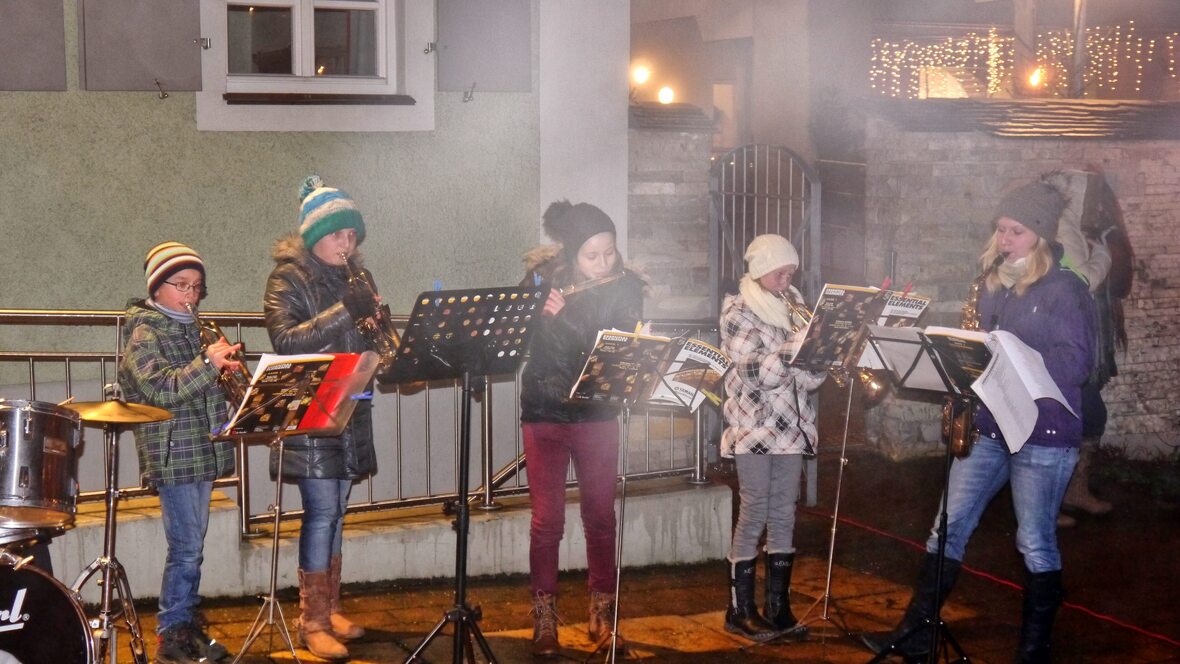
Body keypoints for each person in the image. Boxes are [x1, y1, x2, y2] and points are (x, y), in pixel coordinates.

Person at [862, 180, 1096, 663]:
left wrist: (1017, 358)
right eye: (1001, 230)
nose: (1005, 240)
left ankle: (1033, 652)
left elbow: (1077, 366)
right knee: (947, 527)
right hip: (991, 425)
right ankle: (915, 636)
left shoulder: (1065, 290)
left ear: (1041, 236)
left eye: (1016, 231)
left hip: (1045, 433)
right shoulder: (993, 283)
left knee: (1033, 540)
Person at [519, 200, 645, 658]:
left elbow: (606, 343)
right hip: (545, 411)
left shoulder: (627, 286)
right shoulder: (541, 281)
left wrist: (563, 315)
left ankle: (603, 615)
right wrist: (532, 308)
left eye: (609, 252)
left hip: (597, 413)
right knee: (546, 521)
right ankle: (545, 617)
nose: (603, 264)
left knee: (599, 517)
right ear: (572, 253)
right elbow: (520, 338)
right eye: (592, 256)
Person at [263, 175, 379, 661]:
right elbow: (286, 341)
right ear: (314, 238)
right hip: (312, 407)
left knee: (338, 513)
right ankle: (310, 621)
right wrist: (344, 313)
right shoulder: (287, 279)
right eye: (337, 235)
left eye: (352, 234)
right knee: (322, 512)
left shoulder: (359, 278)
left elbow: (369, 334)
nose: (346, 243)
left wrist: (384, 344)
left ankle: (330, 608)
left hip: (352, 407)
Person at [119, 241, 238, 664]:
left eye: (197, 287)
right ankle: (172, 634)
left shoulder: (197, 329)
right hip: (173, 451)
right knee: (186, 546)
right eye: (181, 286)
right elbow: (159, 389)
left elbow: (208, 387)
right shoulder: (144, 331)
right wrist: (208, 365)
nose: (190, 296)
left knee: (193, 544)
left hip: (200, 449)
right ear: (157, 287)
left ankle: (184, 624)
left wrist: (231, 373)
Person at [719, 234, 823, 643]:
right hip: (755, 428)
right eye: (780, 273)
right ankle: (739, 609)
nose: (787, 280)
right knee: (755, 508)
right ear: (760, 271)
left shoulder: (795, 306)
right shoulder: (737, 309)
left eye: (791, 273)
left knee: (784, 511)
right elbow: (753, 373)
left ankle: (777, 607)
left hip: (792, 426)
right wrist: (796, 347)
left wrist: (818, 353)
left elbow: (810, 379)